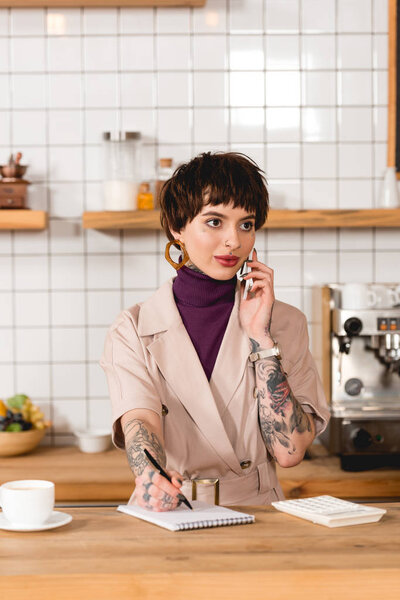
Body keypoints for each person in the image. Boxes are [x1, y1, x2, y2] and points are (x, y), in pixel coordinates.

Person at [100, 151, 330, 512]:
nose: (233, 241)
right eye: (214, 222)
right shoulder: (133, 328)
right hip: (169, 507)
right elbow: (139, 417)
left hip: (259, 512)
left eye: (246, 224)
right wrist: (150, 475)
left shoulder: (285, 323)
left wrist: (261, 338)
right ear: (178, 227)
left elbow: (290, 452)